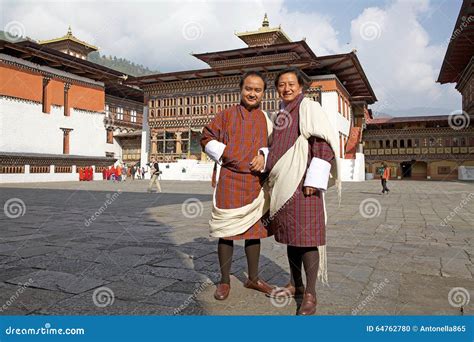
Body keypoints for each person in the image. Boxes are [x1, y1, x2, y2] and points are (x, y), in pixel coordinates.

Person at [252, 67, 339, 315]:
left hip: (304, 183)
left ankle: (310, 293)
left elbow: (322, 143)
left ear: (301, 87)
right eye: (282, 84)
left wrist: (315, 178)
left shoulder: (309, 108)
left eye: (292, 84)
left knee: (308, 238)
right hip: (284, 184)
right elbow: (275, 148)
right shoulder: (280, 115)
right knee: (292, 237)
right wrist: (262, 156)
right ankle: (296, 284)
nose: (287, 88)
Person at [201, 71, 275, 301]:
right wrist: (229, 155)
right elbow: (206, 138)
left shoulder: (267, 119)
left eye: (257, 90)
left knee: (254, 232)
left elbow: (275, 145)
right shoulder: (226, 115)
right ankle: (224, 281)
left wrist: (264, 154)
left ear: (264, 93)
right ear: (240, 89)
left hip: (255, 181)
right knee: (227, 231)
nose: (252, 93)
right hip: (230, 179)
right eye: (248, 88)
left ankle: (253, 277)